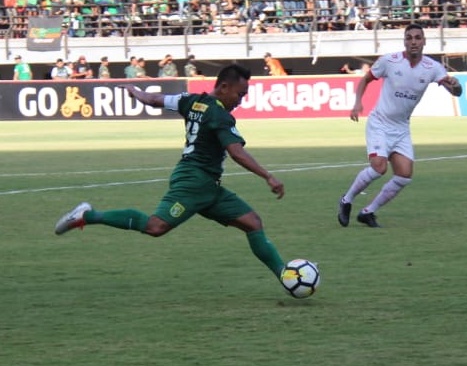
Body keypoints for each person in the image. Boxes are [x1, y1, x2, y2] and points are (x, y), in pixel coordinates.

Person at [53, 64, 294, 294]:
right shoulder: (220, 116)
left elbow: (154, 100)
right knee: (155, 226)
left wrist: (134, 91)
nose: (240, 101)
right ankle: (87, 215)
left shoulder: (190, 100)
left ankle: (285, 276)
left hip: (207, 185)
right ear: (223, 88)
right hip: (193, 182)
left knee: (252, 222)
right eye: (239, 94)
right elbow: (236, 152)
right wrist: (268, 176)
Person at [337, 23, 463, 228]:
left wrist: (456, 86)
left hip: (401, 127)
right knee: (379, 168)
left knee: (404, 175)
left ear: (424, 41)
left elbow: (455, 91)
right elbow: (365, 80)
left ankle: (368, 212)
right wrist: (358, 102)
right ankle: (347, 199)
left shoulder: (433, 67)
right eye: (409, 38)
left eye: (417, 38)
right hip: (380, 123)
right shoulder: (390, 61)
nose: (413, 41)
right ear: (404, 41)